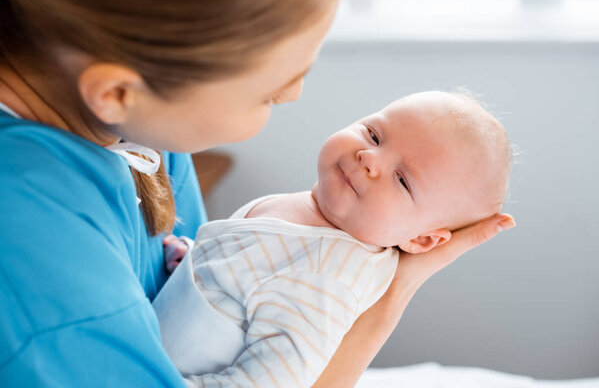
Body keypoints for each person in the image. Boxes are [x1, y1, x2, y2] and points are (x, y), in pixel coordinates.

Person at [0, 0, 515, 387]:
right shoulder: (36, 239)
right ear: (116, 92)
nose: (292, 95)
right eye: (266, 93)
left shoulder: (143, 134)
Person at [155, 91, 513, 388]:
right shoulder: (319, 220)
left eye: (402, 180)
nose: (369, 157)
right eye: (374, 134)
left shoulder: (325, 275)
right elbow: (251, 282)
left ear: (421, 240)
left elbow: (274, 379)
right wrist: (195, 261)